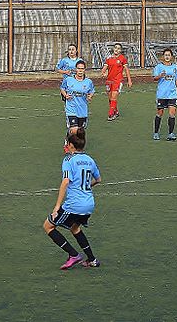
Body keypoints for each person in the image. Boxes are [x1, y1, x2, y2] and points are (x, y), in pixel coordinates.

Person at [43, 128, 102, 269]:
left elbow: (65, 181)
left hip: (75, 204)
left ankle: (73, 255)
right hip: (89, 204)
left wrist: (57, 206)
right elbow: (98, 179)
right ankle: (92, 260)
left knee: (48, 226)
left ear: (71, 145)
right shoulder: (89, 160)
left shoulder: (69, 160)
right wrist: (86, 187)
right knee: (75, 228)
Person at [152, 49, 177, 141]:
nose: (167, 56)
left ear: (171, 57)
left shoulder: (175, 67)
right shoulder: (158, 67)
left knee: (172, 113)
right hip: (162, 94)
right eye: (165, 55)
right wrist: (160, 76)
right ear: (163, 57)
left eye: (169, 55)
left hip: (172, 94)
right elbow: (154, 78)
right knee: (160, 113)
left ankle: (171, 133)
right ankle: (156, 133)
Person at [61, 60, 94, 137]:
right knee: (73, 129)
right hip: (71, 109)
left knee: (80, 132)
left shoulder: (88, 82)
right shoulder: (68, 79)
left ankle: (77, 147)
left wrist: (90, 96)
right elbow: (62, 88)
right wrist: (65, 95)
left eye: (82, 69)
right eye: (78, 68)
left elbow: (92, 91)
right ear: (76, 69)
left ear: (84, 70)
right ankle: (67, 143)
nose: (80, 71)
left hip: (82, 110)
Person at [101, 43, 132, 121]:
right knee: (110, 98)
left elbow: (126, 70)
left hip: (118, 80)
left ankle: (111, 114)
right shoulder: (109, 58)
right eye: (115, 48)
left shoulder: (122, 58)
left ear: (120, 51)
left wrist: (129, 80)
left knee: (114, 96)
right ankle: (116, 111)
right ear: (113, 49)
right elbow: (104, 68)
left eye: (119, 48)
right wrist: (103, 72)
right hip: (109, 81)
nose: (117, 50)